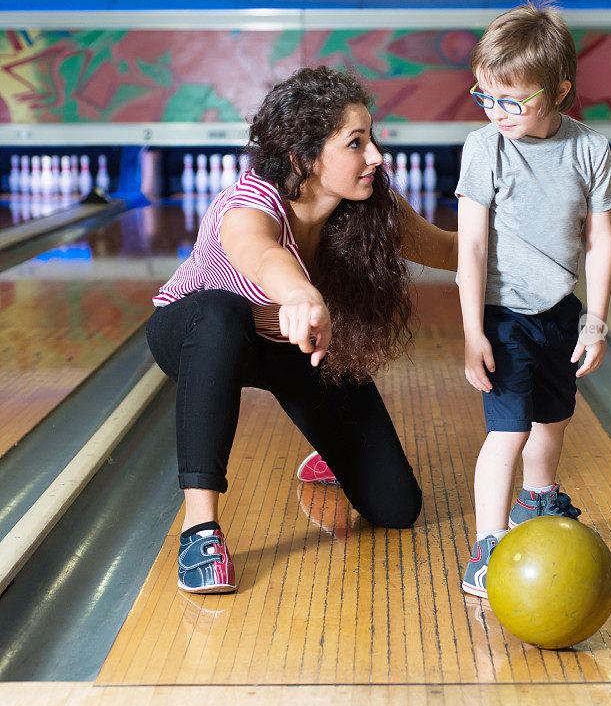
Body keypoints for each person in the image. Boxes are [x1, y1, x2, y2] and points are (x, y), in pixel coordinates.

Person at [147, 66, 457, 594]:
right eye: (356, 143)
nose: (376, 156)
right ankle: (199, 528)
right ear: (302, 158)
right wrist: (299, 293)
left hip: (296, 347)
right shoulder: (247, 204)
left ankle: (327, 452)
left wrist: (538, 238)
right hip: (200, 335)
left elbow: (448, 249)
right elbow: (260, 253)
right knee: (222, 314)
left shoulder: (370, 204)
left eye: (372, 138)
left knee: (397, 507)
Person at [456, 4, 611, 598]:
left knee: (555, 417)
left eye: (515, 101)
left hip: (561, 310)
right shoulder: (484, 146)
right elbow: (471, 247)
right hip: (502, 316)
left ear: (561, 92)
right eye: (486, 97)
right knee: (508, 431)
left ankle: (538, 497)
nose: (499, 113)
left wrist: (595, 322)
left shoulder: (589, 149)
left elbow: (600, 242)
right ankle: (489, 540)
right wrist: (473, 331)